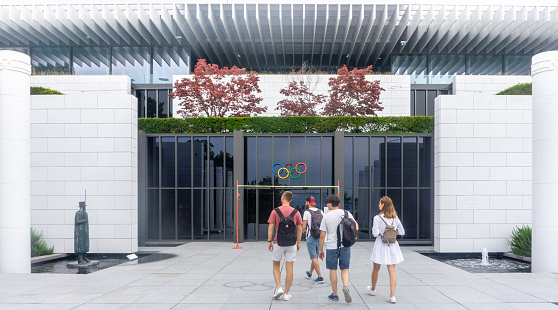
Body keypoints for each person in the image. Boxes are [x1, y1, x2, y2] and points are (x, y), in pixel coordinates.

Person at [318, 195, 359, 303]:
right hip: (345, 245)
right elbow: (356, 226)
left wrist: (321, 249)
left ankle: (335, 294)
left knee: (333, 270)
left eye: (327, 203)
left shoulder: (326, 216)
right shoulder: (346, 213)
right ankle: (345, 286)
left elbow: (322, 235)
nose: (327, 205)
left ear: (330, 204)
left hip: (331, 247)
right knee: (344, 268)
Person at [368, 196, 405, 304]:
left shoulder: (377, 218)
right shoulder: (395, 218)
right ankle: (392, 296)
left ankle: (373, 289)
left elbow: (375, 234)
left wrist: (381, 231)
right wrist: (394, 232)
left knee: (376, 268)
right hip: (392, 245)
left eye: (380, 203)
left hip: (380, 244)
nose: (378, 205)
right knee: (392, 271)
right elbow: (402, 232)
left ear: (384, 205)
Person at [267, 191, 303, 301]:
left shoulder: (275, 211)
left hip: (279, 242)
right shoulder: (296, 212)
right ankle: (287, 294)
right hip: (291, 243)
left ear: (282, 198)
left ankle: (279, 288)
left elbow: (271, 227)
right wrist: (298, 243)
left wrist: (269, 241)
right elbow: (300, 229)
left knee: (276, 265)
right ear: (291, 200)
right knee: (290, 268)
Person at [302, 196, 324, 283]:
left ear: (307, 202)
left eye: (305, 202)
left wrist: (304, 231)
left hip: (310, 236)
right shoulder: (320, 211)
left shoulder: (307, 212)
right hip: (319, 236)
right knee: (315, 257)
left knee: (313, 257)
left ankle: (320, 277)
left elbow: (304, 226)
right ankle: (310, 273)